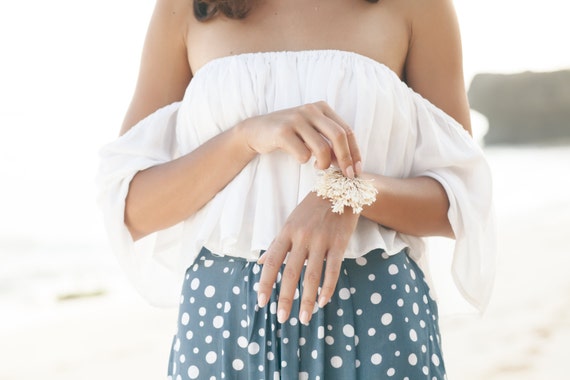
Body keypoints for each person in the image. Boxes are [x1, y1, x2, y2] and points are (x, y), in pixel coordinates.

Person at [97, 0, 495, 378]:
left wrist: (346, 193)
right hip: (222, 325)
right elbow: (133, 209)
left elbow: (460, 200)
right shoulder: (188, 8)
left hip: (376, 315)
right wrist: (244, 138)